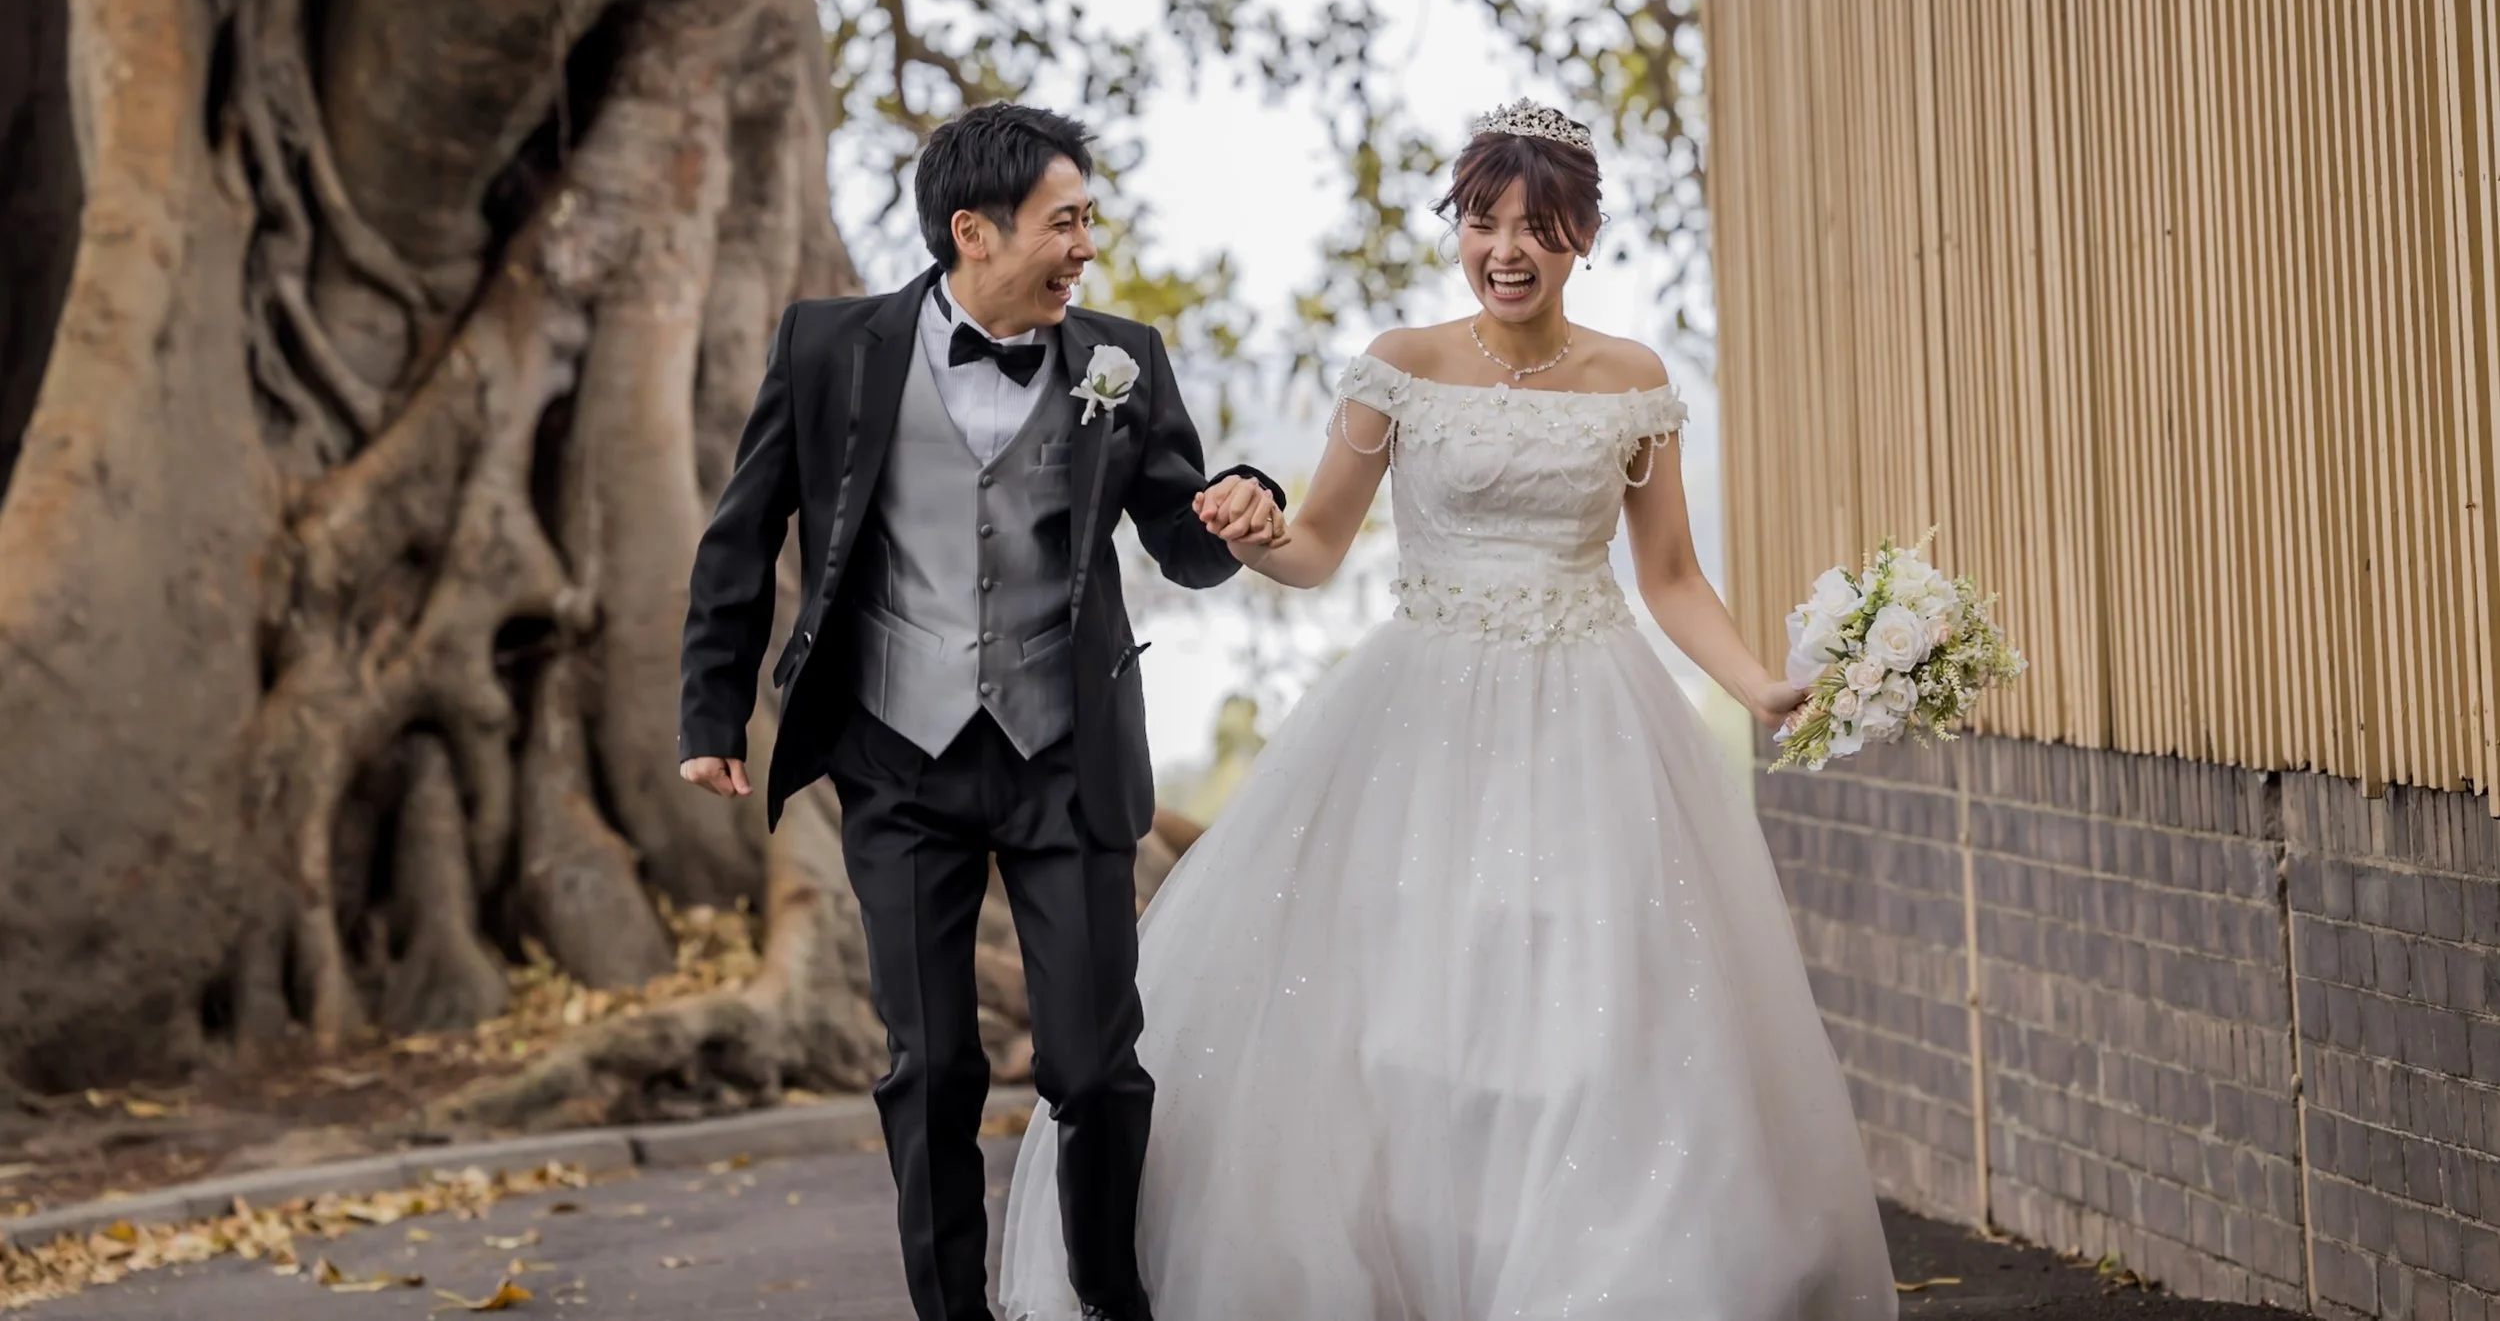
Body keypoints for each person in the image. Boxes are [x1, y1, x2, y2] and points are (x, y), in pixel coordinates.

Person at [999, 99, 1899, 1320]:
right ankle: (1419, 1257)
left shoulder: (1633, 379)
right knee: (1410, 1001)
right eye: (1482, 223)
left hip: (1591, 715)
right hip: (1419, 717)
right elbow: (1316, 543)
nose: (1505, 249)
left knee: (1592, 996)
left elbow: (1671, 575)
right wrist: (1252, 534)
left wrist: (1757, 686)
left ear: (1582, 235)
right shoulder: (1401, 365)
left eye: (1535, 226)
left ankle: (1580, 1271)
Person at [676, 102, 1287, 1321]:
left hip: (1065, 756)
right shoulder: (827, 348)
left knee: (1095, 1067)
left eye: (1088, 221)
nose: (1086, 246)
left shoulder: (1125, 359)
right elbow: (745, 533)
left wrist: (1244, 504)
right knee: (932, 1066)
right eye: (1066, 221)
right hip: (897, 762)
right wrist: (709, 712)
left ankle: (1111, 1299)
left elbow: (1180, 529)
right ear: (974, 231)